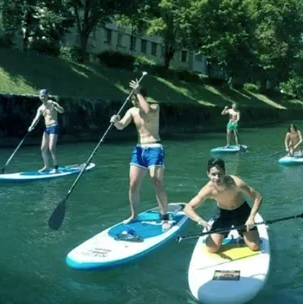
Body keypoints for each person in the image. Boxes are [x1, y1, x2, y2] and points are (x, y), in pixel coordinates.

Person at [110, 78, 171, 231]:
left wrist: (138, 92)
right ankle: (134, 214)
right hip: (139, 150)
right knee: (133, 184)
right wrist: (115, 121)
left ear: (141, 96)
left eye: (135, 97)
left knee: (156, 181)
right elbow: (121, 126)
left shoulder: (154, 107)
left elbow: (147, 110)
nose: (133, 101)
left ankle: (164, 216)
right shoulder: (131, 111)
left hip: (155, 148)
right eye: (132, 98)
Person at [183, 158, 263, 253]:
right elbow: (187, 208)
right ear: (208, 174)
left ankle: (243, 234)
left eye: (219, 174)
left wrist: (251, 217)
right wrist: (200, 221)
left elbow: (258, 197)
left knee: (255, 246)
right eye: (213, 174)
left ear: (224, 173)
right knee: (212, 248)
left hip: (242, 211)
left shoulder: (235, 183)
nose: (217, 178)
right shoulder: (208, 190)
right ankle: (219, 234)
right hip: (223, 214)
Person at [28, 89, 65, 173]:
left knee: (51, 148)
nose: (43, 98)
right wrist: (31, 126)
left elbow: (62, 111)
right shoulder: (40, 108)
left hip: (54, 127)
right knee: (43, 148)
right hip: (47, 128)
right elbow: (36, 118)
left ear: (47, 95)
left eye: (44, 96)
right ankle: (46, 166)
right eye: (41, 96)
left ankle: (56, 168)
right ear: (39, 97)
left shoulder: (52, 104)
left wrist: (56, 105)